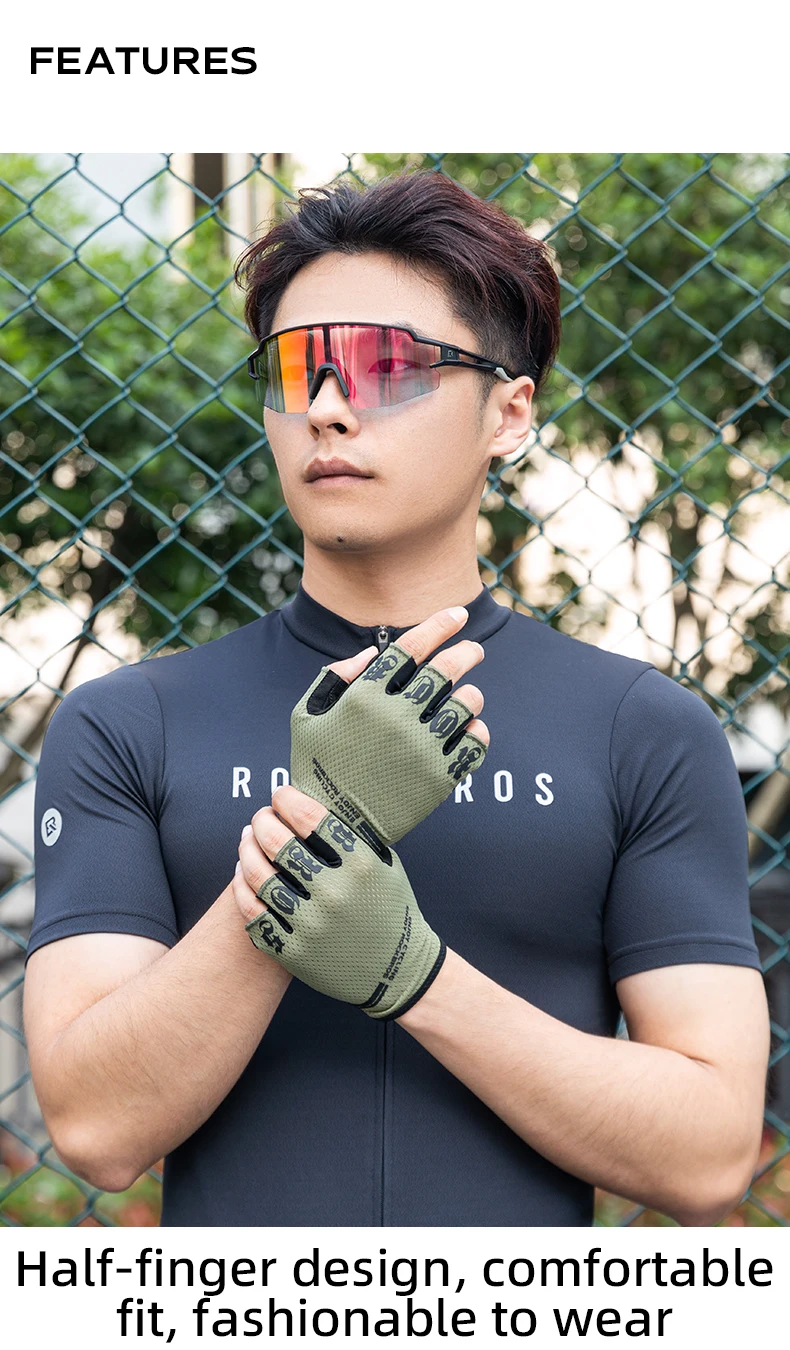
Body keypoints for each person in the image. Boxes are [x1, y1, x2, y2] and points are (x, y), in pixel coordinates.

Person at [24, 171, 769, 1227]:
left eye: (386, 367)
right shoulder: (127, 724)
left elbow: (707, 1153)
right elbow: (97, 1129)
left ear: (509, 412)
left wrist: (416, 977)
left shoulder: (639, 730)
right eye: (297, 368)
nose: (328, 407)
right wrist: (323, 835)